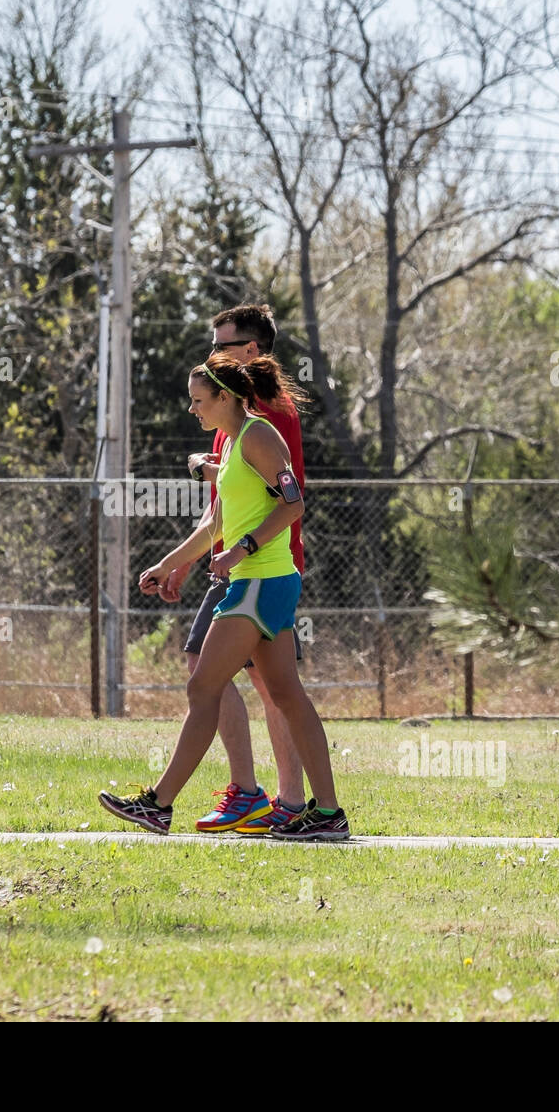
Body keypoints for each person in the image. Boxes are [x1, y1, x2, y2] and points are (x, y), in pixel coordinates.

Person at [98, 350, 350, 841]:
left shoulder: (257, 434)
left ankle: (158, 804)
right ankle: (328, 814)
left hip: (260, 580)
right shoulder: (235, 443)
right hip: (258, 580)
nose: (192, 410)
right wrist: (169, 563)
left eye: (198, 401)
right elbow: (216, 521)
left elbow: (294, 503)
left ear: (225, 397)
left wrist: (241, 551)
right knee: (286, 694)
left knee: (202, 686)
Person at [161, 305, 308, 834]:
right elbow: (226, 499)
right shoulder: (226, 410)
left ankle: (281, 800)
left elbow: (283, 491)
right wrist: (185, 560)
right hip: (237, 563)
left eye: (223, 344)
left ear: (251, 352)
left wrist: (234, 545)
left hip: (263, 563)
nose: (213, 352)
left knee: (260, 684)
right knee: (267, 683)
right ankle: (276, 799)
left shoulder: (269, 412)